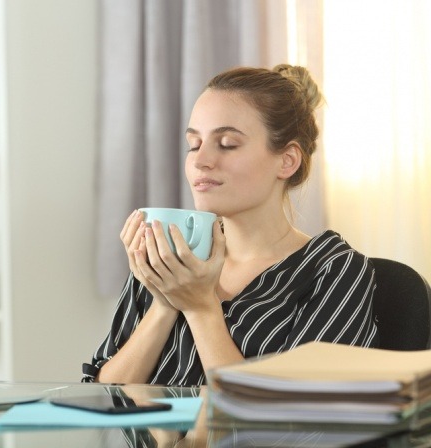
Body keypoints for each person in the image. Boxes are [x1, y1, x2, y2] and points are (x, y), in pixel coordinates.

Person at [82, 64, 379, 386]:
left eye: (227, 144)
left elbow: (290, 419)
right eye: (194, 144)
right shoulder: (168, 258)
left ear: (287, 160)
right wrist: (165, 302)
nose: (201, 160)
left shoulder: (334, 271)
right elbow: (102, 396)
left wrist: (200, 309)